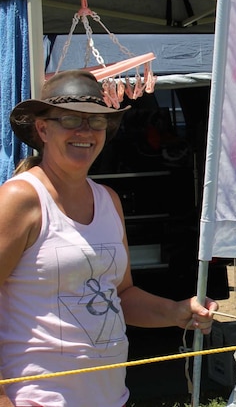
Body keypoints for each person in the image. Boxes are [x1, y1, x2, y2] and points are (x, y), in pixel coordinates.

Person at [0, 70, 219, 407]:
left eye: (96, 122)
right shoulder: (21, 198)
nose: (85, 132)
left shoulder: (108, 200)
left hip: (112, 397)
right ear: (42, 129)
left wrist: (177, 311)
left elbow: (121, 294)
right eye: (71, 119)